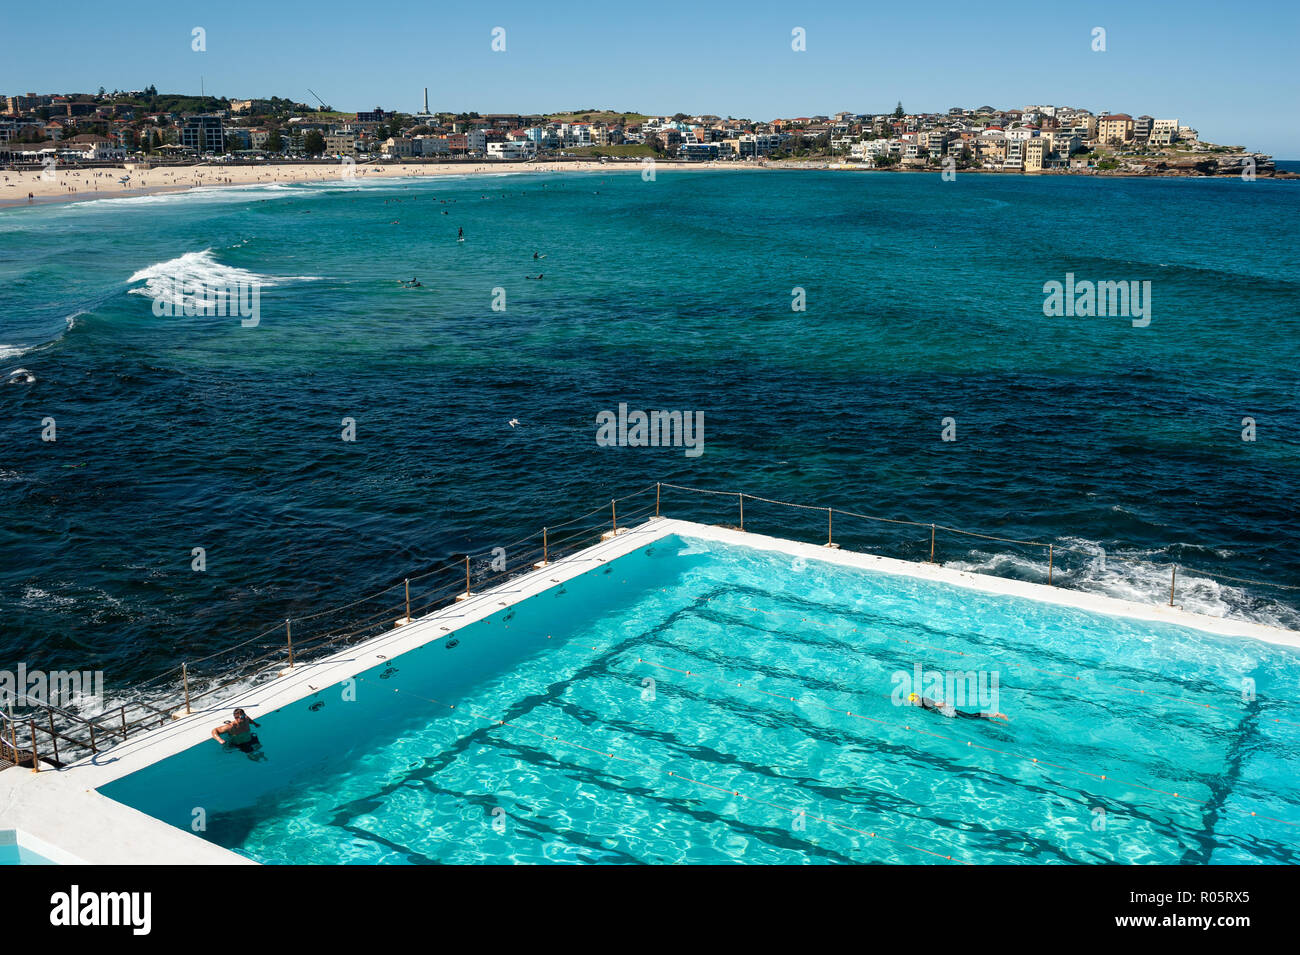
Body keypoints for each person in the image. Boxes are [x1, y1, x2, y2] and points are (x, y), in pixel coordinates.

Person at [907, 693, 1008, 721]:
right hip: (948, 713)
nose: (915, 702)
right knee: (971, 719)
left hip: (950, 712)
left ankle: (995, 715)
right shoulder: (921, 703)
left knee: (972, 716)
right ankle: (992, 719)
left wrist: (944, 704)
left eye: (915, 700)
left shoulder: (924, 700)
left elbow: (937, 704)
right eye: (914, 701)